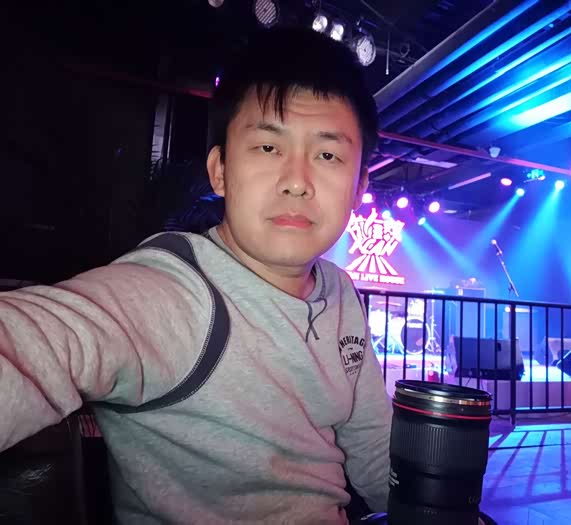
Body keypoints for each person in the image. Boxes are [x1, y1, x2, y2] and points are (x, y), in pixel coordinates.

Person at [0, 27, 391, 524]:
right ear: (220, 171)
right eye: (267, 148)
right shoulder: (175, 293)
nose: (297, 181)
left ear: (359, 187)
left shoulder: (339, 292)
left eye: (328, 155)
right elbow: (34, 342)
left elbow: (377, 455)